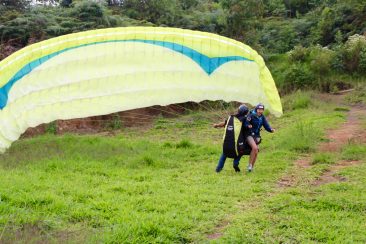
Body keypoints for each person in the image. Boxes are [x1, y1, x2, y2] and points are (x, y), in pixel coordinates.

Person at [213, 104, 249, 173]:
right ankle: (235, 164)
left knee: (224, 154)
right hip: (238, 145)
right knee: (239, 152)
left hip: (227, 144)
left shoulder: (231, 118)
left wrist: (217, 125)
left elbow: (224, 123)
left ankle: (218, 169)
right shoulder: (244, 119)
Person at [244, 103, 275, 172]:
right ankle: (249, 165)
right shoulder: (251, 115)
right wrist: (248, 125)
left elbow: (266, 125)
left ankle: (251, 167)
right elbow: (246, 123)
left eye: (262, 110)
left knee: (256, 151)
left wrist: (270, 130)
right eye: (259, 109)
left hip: (256, 135)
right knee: (255, 148)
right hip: (249, 134)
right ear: (256, 109)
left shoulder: (262, 117)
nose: (260, 111)